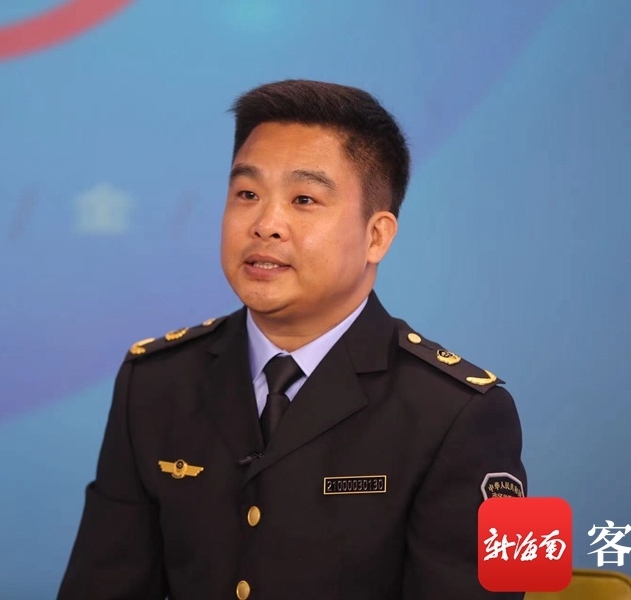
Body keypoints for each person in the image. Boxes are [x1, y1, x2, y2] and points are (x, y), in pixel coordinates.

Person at [58, 79, 526, 599]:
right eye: (247, 194)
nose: (266, 224)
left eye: (304, 199)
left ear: (376, 236)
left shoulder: (468, 412)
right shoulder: (154, 382)